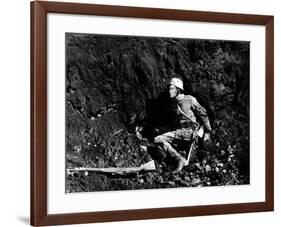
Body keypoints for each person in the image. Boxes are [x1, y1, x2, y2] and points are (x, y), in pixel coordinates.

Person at [154, 78, 212, 174]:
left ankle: (179, 159)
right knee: (156, 131)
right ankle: (178, 154)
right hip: (180, 132)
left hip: (190, 132)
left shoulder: (189, 99)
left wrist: (208, 132)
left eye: (172, 88)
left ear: (178, 89)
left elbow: (203, 114)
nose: (169, 91)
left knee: (158, 139)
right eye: (169, 88)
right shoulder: (173, 104)